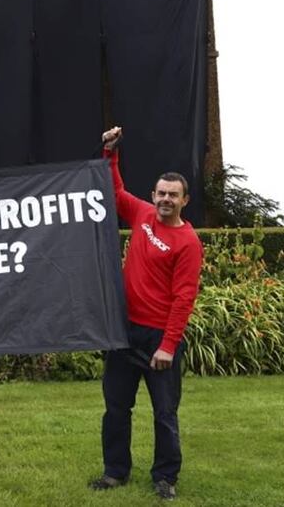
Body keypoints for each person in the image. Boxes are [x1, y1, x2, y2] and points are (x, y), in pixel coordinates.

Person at [90, 126, 203, 501]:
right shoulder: (141, 214)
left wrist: (168, 346)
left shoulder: (187, 242)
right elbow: (115, 192)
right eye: (160, 193)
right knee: (116, 408)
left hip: (159, 339)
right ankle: (114, 473)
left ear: (184, 200)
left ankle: (165, 477)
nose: (165, 199)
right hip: (124, 333)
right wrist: (111, 153)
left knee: (164, 414)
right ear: (153, 195)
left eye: (173, 195)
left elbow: (183, 298)